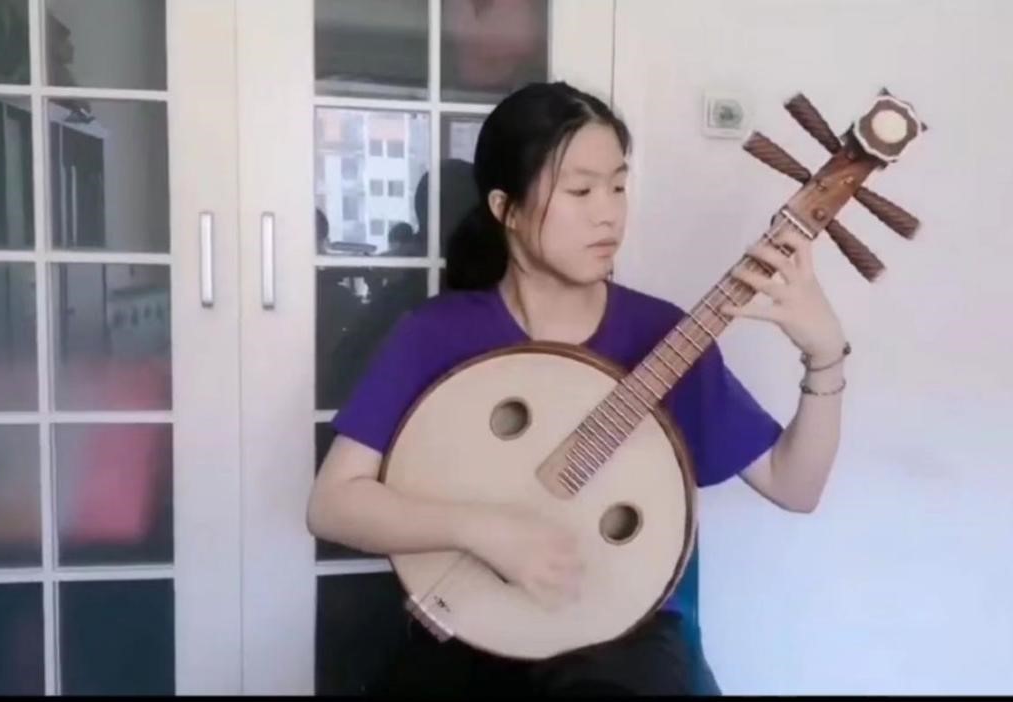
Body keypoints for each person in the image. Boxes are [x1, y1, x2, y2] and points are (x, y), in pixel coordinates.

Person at [307, 81, 849, 695]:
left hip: (621, 640)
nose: (608, 213)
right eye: (581, 190)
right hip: (472, 626)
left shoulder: (664, 334)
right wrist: (485, 530)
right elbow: (333, 505)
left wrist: (825, 355)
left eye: (618, 186)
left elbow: (794, 486)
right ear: (506, 208)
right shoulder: (437, 333)